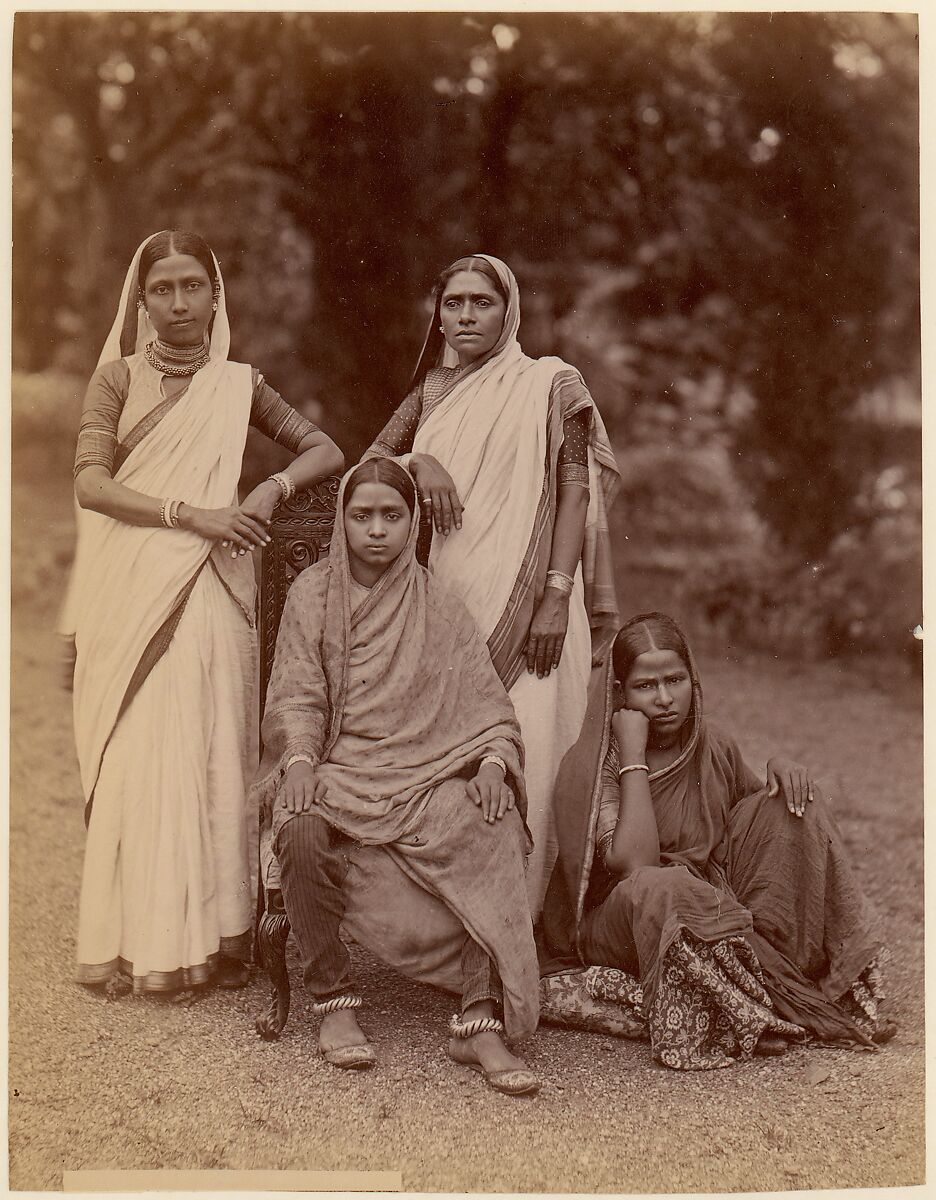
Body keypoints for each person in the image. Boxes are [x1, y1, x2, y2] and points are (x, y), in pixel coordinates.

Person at [67, 230, 344, 995]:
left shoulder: (238, 384)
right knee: (142, 753)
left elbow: (325, 449)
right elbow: (91, 484)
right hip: (136, 585)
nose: (179, 303)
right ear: (142, 300)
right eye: (163, 289)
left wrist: (265, 492)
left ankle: (214, 939)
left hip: (213, 596)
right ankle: (140, 941)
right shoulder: (117, 380)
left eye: (193, 286)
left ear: (214, 295)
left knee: (210, 751)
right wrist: (195, 513)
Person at [254, 459, 541, 1095]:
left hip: (422, 773)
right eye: (362, 516)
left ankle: (479, 1017)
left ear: (413, 522)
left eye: (393, 516)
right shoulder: (312, 594)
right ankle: (333, 1000)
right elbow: (296, 691)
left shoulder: (437, 603)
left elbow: (487, 703)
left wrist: (493, 763)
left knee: (492, 818)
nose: (377, 531)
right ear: (342, 522)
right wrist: (299, 759)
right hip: (337, 768)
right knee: (297, 828)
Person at [363, 254, 620, 916]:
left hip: (539, 603)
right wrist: (419, 461)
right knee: (459, 758)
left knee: (532, 751)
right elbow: (368, 466)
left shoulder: (550, 383)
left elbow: (574, 491)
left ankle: (527, 929)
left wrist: (557, 596)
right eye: (454, 303)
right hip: (454, 603)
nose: (467, 315)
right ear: (438, 312)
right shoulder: (432, 393)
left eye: (482, 302)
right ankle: (460, 931)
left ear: (509, 312)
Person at [540, 612, 893, 1070]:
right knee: (665, 886)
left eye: (676, 680)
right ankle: (760, 1004)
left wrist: (782, 770)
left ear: (694, 680)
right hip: (624, 919)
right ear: (619, 693)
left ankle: (814, 987)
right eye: (646, 686)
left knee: (795, 808)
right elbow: (637, 865)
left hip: (708, 905)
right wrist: (632, 755)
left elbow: (753, 827)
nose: (665, 699)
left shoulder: (710, 745)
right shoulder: (592, 766)